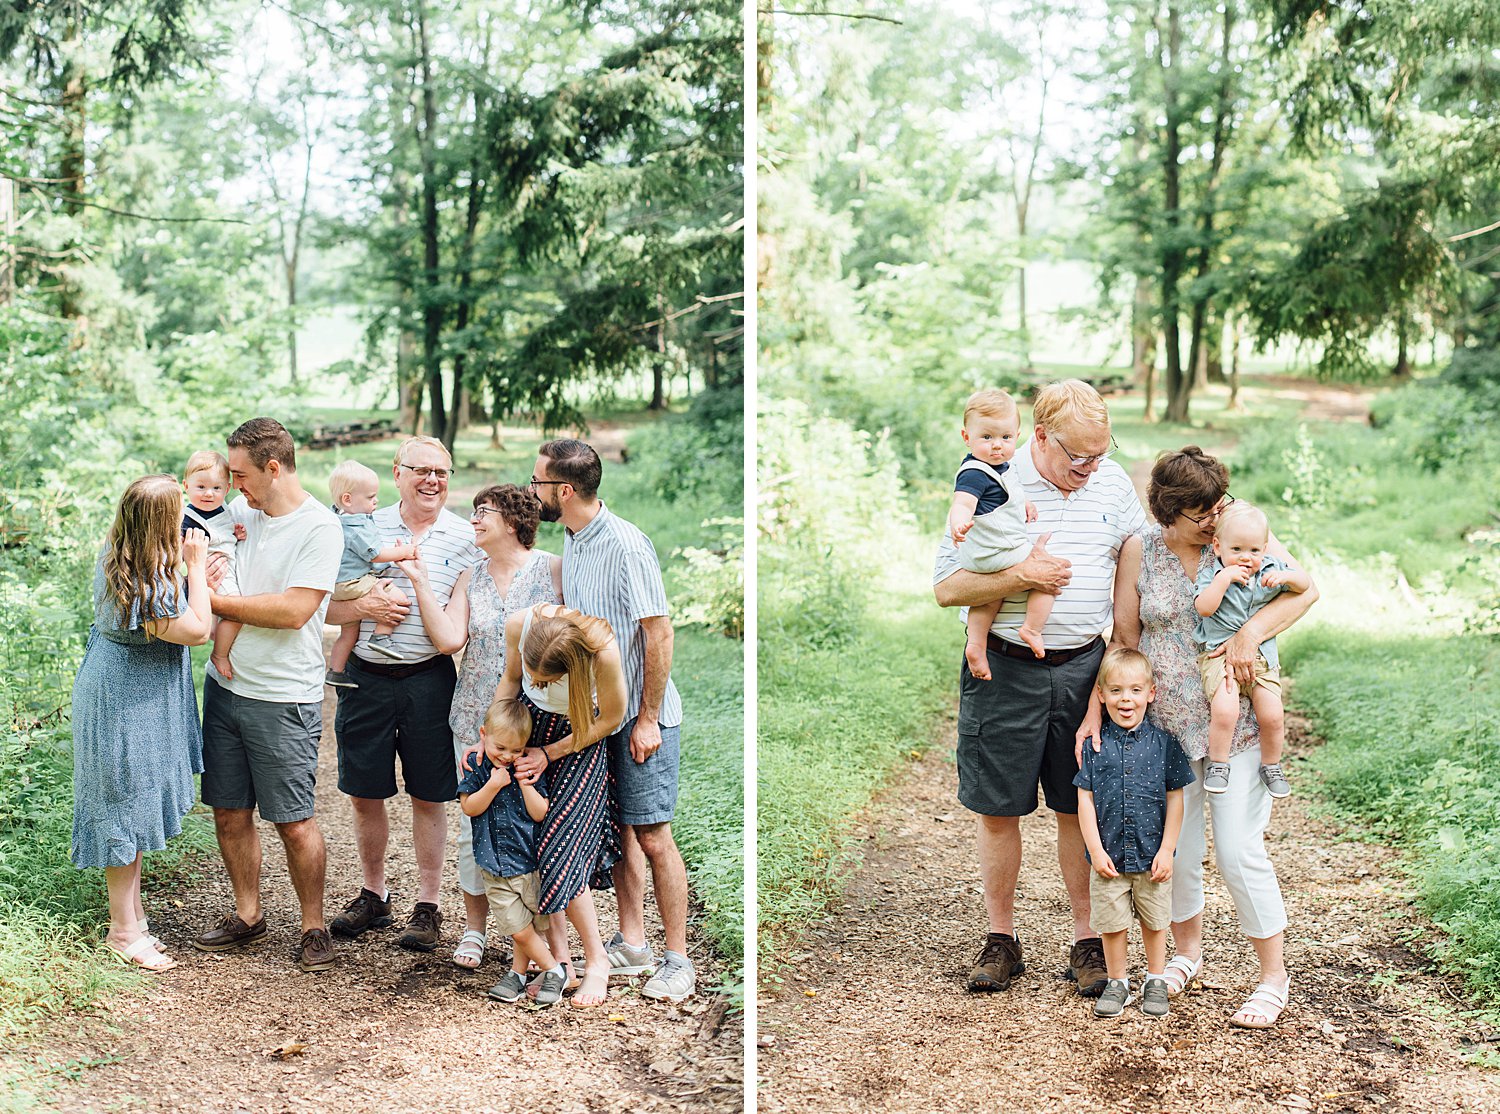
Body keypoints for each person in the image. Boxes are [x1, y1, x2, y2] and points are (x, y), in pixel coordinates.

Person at [931, 379, 1145, 999]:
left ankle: (1088, 941)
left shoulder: (1111, 483)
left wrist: (1116, 676)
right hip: (1003, 670)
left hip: (1084, 669)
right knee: (999, 807)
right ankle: (1001, 940)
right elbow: (946, 588)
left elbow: (1127, 587)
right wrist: (1023, 573)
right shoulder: (992, 478)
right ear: (1042, 438)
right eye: (1078, 457)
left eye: (1100, 455)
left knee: (1077, 806)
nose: (1091, 468)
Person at [1103, 445, 1317, 1029]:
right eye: (1203, 512)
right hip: (1167, 728)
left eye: (1219, 504)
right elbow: (1126, 636)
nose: (1216, 517)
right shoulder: (1140, 550)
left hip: (1238, 723)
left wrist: (1249, 633)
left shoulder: (1241, 531)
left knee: (1238, 848)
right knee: (1177, 849)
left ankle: (1273, 977)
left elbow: (1306, 590)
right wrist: (1114, 711)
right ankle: (1187, 955)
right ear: (1172, 512)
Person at [529, 438, 694, 1003]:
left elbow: (659, 632)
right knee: (618, 833)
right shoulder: (572, 540)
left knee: (652, 835)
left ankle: (678, 960)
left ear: (564, 490)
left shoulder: (625, 545)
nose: (534, 492)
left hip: (641, 719)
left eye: (538, 483)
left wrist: (647, 719)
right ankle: (633, 944)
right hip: (597, 716)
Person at [193, 417, 344, 973]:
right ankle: (249, 915)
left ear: (273, 468)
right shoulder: (236, 513)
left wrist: (215, 604)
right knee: (229, 812)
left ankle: (312, 925)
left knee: (293, 819)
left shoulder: (319, 528)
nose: (234, 487)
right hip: (226, 688)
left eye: (241, 475)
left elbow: (294, 611)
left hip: (283, 696)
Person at [324, 436, 482, 953]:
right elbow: (322, 606)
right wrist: (364, 609)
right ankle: (374, 894)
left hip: (429, 678)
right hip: (367, 677)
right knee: (365, 791)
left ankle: (429, 905)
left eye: (442, 471)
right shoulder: (360, 522)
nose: (432, 480)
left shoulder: (465, 536)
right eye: (421, 470)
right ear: (397, 473)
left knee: (430, 794)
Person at [398, 483, 562, 969]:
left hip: (539, 727)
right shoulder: (472, 575)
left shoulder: (552, 569)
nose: (472, 519)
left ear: (512, 521)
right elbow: (450, 639)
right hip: (474, 721)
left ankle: (534, 933)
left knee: (540, 823)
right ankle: (474, 929)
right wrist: (419, 582)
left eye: (482, 511)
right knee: (477, 822)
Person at [72, 475, 213, 971]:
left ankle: (132, 917)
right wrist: (196, 568)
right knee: (123, 807)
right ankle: (123, 931)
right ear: (160, 521)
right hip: (122, 702)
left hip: (126, 692)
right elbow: (198, 631)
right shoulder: (141, 583)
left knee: (129, 801)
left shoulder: (124, 551)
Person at [502, 602, 628, 1008]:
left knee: (562, 848)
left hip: (578, 739)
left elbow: (610, 718)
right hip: (530, 730)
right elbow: (510, 680)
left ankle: (597, 962)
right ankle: (561, 962)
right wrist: (491, 736)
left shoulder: (602, 653)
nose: (536, 685)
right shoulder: (520, 625)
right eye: (534, 677)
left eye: (547, 680)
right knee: (536, 845)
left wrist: (549, 753)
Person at [1074, 648, 1194, 1018]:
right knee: (1111, 922)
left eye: (1135, 690)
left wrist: (1168, 849)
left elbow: (1176, 801)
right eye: (1116, 690)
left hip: (1151, 853)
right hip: (1108, 853)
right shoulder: (1094, 745)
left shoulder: (1165, 745)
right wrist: (1094, 849)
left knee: (1156, 919)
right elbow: (1085, 800)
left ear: (1151, 693)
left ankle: (1155, 979)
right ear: (1101, 695)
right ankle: (1118, 982)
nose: (1126, 699)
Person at [1193, 501, 1310, 797]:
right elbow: (1203, 608)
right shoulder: (1213, 573)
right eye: (1237, 550)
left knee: (1272, 714)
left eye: (1255, 551)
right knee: (1225, 710)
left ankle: (1271, 764)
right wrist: (1223, 580)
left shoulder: (1270, 571)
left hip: (1262, 658)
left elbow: (1306, 585)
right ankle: (1219, 764)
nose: (1246, 558)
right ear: (1218, 547)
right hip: (1219, 656)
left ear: (1264, 550)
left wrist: (1287, 577)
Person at [456, 698, 567, 1008]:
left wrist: (525, 783)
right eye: (500, 748)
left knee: (527, 925)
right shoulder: (479, 767)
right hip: (494, 863)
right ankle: (554, 970)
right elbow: (469, 807)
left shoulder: (526, 768)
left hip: (528, 862)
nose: (507, 756)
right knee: (517, 929)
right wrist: (492, 785)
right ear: (484, 734)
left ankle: (518, 976)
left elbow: (540, 812)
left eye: (515, 750)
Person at [946, 388, 1047, 675]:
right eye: (986, 437)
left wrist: (1024, 504)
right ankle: (1032, 628)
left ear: (1017, 436)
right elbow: (963, 502)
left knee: (990, 597)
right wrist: (959, 522)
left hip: (983, 557)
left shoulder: (1002, 467)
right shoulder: (975, 472)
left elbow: (1006, 495)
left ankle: (976, 644)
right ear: (967, 438)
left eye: (1005, 437)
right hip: (997, 551)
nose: (996, 446)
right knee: (1046, 574)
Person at [323, 460, 419, 688]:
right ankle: (381, 636)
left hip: (339, 583)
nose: (376, 500)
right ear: (347, 499)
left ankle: (335, 671)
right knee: (397, 598)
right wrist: (403, 551)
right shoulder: (356, 526)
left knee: (349, 632)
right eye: (370, 497)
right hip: (352, 582)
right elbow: (375, 554)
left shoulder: (336, 518)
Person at [181, 450, 244, 682]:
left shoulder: (224, 509)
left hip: (228, 566)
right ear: (186, 486)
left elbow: (225, 532)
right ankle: (219, 655)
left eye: (217, 488)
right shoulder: (188, 519)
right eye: (201, 487)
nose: (209, 494)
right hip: (214, 572)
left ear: (227, 489)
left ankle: (215, 634)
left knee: (217, 624)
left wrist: (236, 532)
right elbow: (181, 551)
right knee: (237, 613)